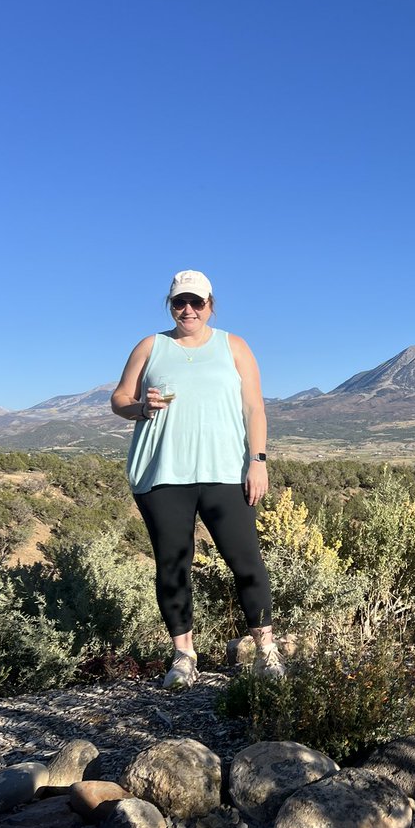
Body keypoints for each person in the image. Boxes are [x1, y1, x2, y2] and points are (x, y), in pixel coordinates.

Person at [111, 269, 284, 688]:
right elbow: (119, 398)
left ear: (210, 304)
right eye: (179, 302)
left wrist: (258, 460)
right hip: (162, 472)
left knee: (246, 560)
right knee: (173, 563)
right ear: (170, 305)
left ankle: (266, 652)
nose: (188, 310)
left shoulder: (234, 346)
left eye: (196, 302)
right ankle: (184, 656)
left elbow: (254, 408)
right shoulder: (151, 346)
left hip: (225, 471)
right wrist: (139, 408)